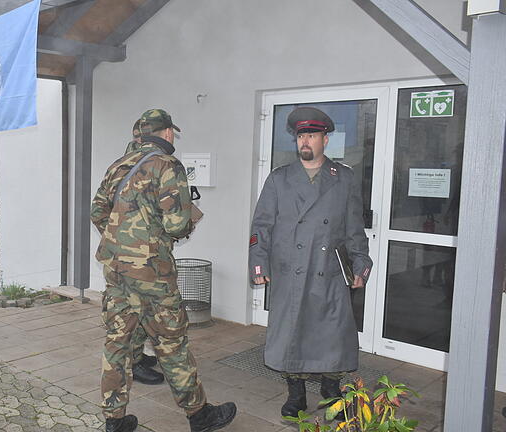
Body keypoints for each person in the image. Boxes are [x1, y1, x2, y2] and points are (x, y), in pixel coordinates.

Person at [91, 109, 236, 432]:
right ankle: (199, 415)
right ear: (167, 133)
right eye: (173, 132)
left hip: (116, 269)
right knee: (171, 343)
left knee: (118, 343)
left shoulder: (119, 165)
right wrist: (164, 234)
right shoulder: (168, 166)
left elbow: (97, 210)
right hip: (152, 274)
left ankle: (114, 421)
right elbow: (177, 224)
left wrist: (123, 241)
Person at [248, 107, 373, 418]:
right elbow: (261, 225)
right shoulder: (279, 178)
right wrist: (259, 264)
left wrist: (361, 262)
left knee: (334, 334)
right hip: (291, 269)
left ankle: (332, 390)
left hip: (329, 270)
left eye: (312, 136)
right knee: (292, 332)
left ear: (325, 140)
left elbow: (354, 226)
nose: (305, 141)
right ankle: (296, 395)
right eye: (301, 136)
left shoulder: (343, 177)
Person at [123, 118, 164, 386]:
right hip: (140, 255)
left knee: (137, 310)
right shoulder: (138, 162)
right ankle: (134, 362)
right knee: (137, 312)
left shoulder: (130, 160)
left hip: (130, 252)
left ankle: (137, 356)